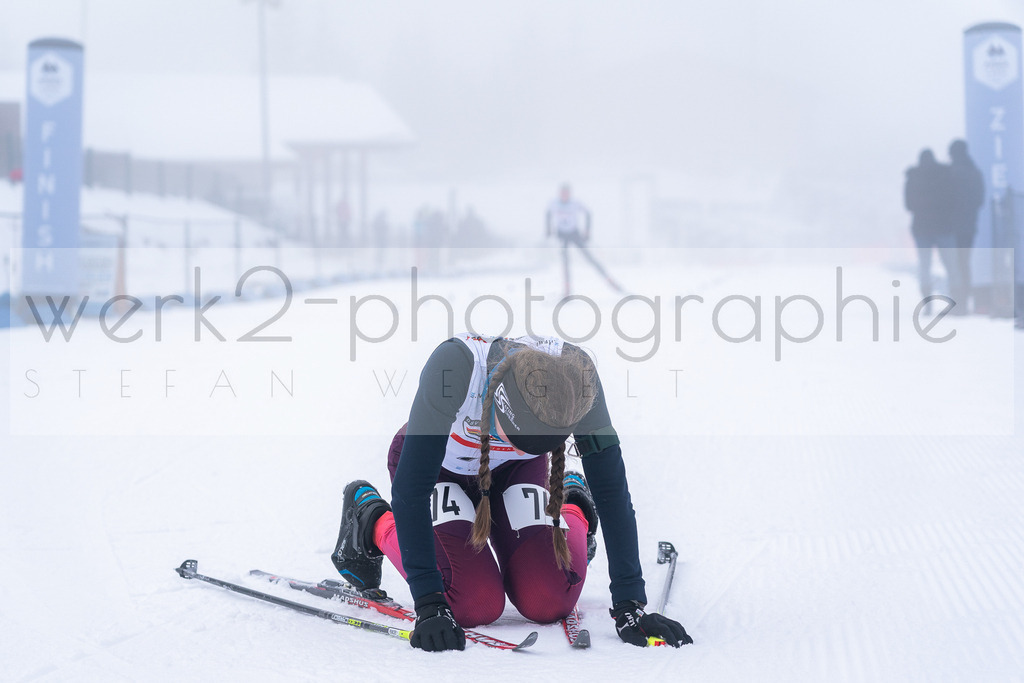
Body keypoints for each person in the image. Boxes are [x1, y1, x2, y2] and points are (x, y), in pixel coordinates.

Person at [331, 333, 693, 652]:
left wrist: (630, 603)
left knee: (548, 600)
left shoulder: (577, 379)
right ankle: (372, 519)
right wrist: (429, 602)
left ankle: (574, 505)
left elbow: (612, 490)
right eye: (513, 437)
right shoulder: (455, 367)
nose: (512, 444)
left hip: (513, 474)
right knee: (472, 605)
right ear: (501, 401)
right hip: (438, 470)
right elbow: (412, 489)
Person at [904, 149, 963, 313]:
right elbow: (954, 199)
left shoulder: (913, 177)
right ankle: (956, 304)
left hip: (922, 228)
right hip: (945, 227)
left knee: (924, 266)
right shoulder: (946, 175)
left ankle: (927, 304)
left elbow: (908, 205)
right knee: (952, 266)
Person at [546, 184, 623, 296]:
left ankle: (611, 282)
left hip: (574, 234)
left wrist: (587, 231)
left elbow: (588, 213)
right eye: (562, 194)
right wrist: (548, 229)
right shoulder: (554, 203)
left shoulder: (575, 203)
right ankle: (567, 290)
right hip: (562, 235)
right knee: (565, 263)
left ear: (569, 194)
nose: (564, 196)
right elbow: (547, 214)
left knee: (590, 259)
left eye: (566, 193)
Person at [947, 140, 985, 311]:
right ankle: (965, 301)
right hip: (969, 225)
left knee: (954, 264)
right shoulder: (974, 171)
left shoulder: (950, 173)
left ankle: (957, 301)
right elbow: (979, 200)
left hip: (950, 226)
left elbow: (944, 200)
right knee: (964, 263)